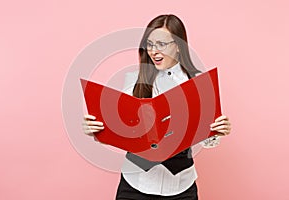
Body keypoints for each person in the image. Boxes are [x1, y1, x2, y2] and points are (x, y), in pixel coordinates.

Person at [82, 14, 231, 200]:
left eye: (162, 44)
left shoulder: (198, 82)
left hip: (181, 187)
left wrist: (216, 130)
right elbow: (119, 129)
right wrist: (96, 130)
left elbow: (206, 140)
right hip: (134, 185)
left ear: (178, 46)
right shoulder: (134, 80)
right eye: (150, 44)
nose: (153, 51)